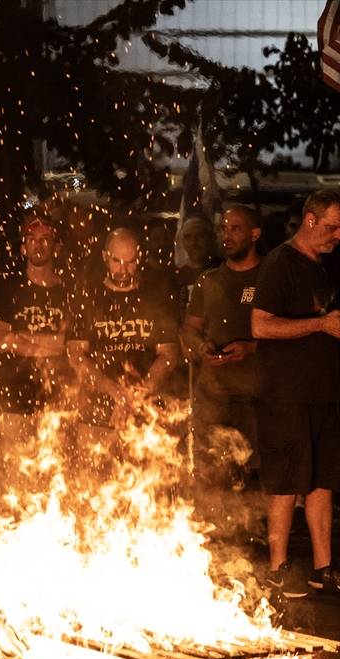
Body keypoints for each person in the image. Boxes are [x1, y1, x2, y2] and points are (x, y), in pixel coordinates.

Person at [251, 188, 340, 596]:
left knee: (322, 480)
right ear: (309, 220)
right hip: (284, 396)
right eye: (332, 227)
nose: (338, 236)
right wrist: (320, 325)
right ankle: (278, 567)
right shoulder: (279, 264)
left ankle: (323, 568)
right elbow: (261, 325)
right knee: (286, 482)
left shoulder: (326, 266)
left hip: (323, 394)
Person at [181, 207, 263, 521]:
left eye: (235, 228)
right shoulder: (208, 280)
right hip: (212, 393)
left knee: (254, 472)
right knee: (209, 468)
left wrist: (250, 348)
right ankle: (211, 534)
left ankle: (252, 533)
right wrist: (200, 346)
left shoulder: (270, 276)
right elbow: (189, 328)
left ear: (255, 234)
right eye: (223, 229)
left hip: (256, 395)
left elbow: (287, 333)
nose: (226, 235)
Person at [66, 228, 179, 439]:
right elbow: (75, 354)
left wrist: (135, 396)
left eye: (130, 262)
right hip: (96, 410)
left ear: (140, 258)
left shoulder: (156, 297)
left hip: (145, 413)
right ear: (105, 257)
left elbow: (169, 354)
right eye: (116, 261)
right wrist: (115, 392)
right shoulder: (87, 296)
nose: (123, 269)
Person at [0, 211, 69, 443]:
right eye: (32, 239)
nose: (38, 245)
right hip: (13, 394)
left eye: (45, 239)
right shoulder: (8, 289)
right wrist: (47, 349)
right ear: (23, 248)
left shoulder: (68, 292)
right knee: (13, 460)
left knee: (55, 461)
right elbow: (3, 341)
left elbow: (67, 343)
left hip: (56, 395)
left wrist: (20, 338)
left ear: (56, 247)